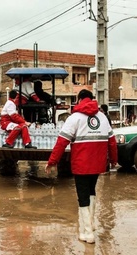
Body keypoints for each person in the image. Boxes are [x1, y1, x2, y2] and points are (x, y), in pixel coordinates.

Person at [45, 89, 117, 244]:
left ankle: (88, 233)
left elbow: (61, 142)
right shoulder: (102, 117)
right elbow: (112, 141)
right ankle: (90, 224)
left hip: (81, 164)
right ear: (92, 99)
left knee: (82, 196)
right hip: (97, 164)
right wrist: (113, 160)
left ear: (78, 100)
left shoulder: (74, 118)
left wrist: (52, 162)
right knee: (91, 191)